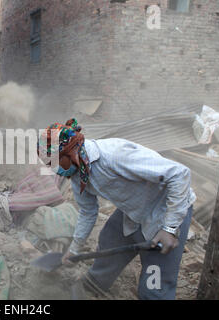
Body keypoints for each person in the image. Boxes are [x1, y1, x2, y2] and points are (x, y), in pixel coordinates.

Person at [38, 118, 196, 300]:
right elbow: (87, 212)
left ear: (69, 151)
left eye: (54, 162)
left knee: (154, 285)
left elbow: (180, 174)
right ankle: (93, 285)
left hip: (165, 211)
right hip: (133, 210)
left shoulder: (115, 155)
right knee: (110, 237)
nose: (54, 170)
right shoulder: (77, 175)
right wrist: (74, 250)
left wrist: (170, 229)